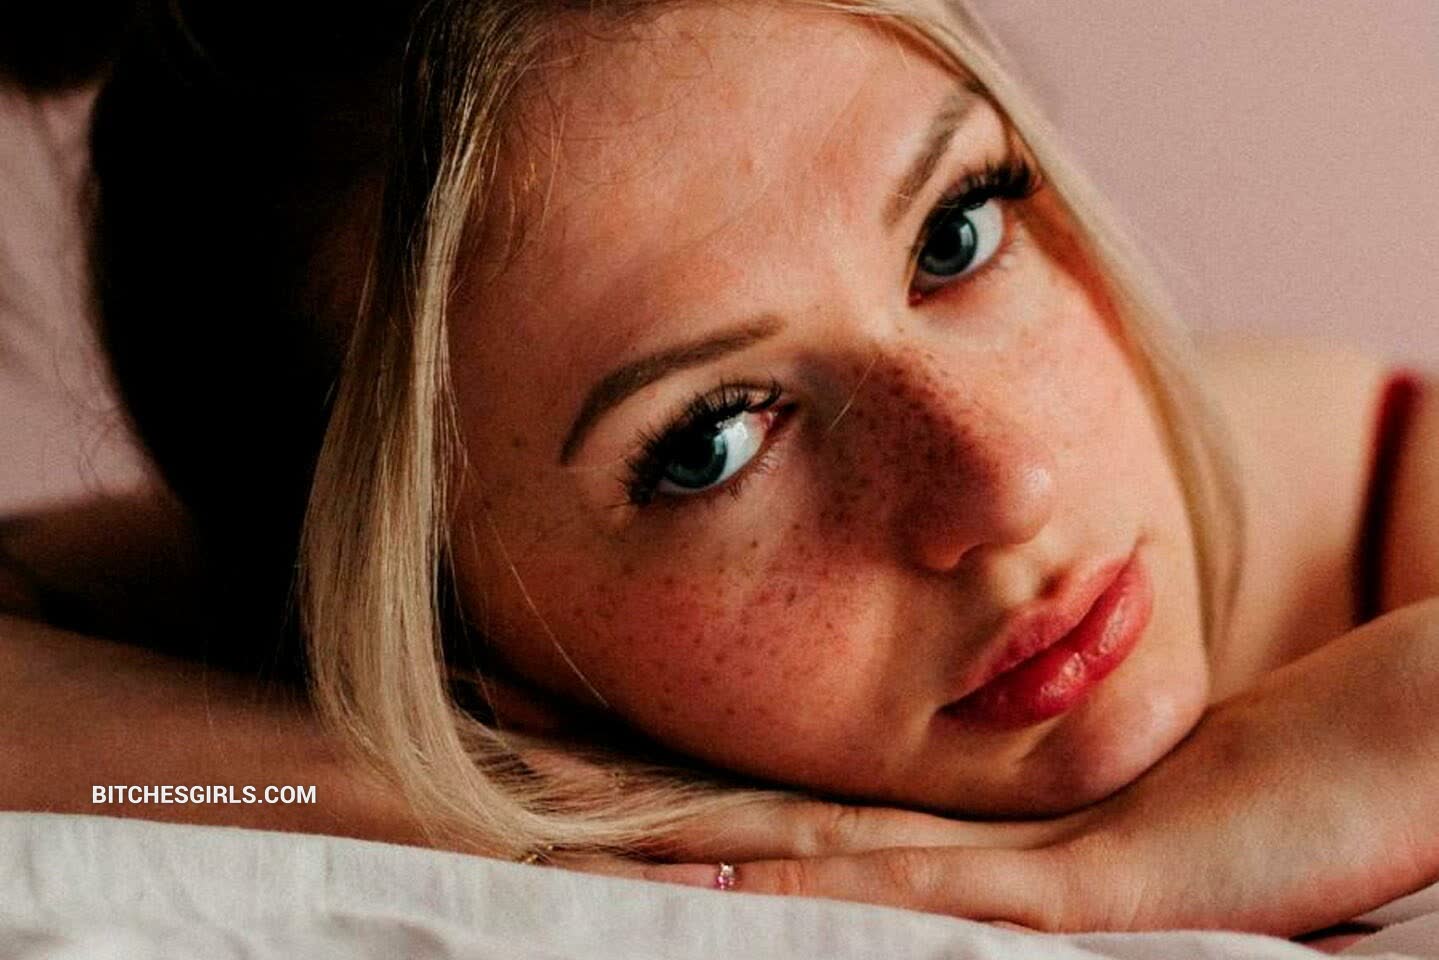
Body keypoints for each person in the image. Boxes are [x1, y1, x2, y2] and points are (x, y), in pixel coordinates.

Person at [4, 0, 1437, 943]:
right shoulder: (404, 671)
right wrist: (474, 798)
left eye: (957, 235)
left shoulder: (1367, 482)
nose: (1007, 487)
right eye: (713, 440)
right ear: (457, 656)